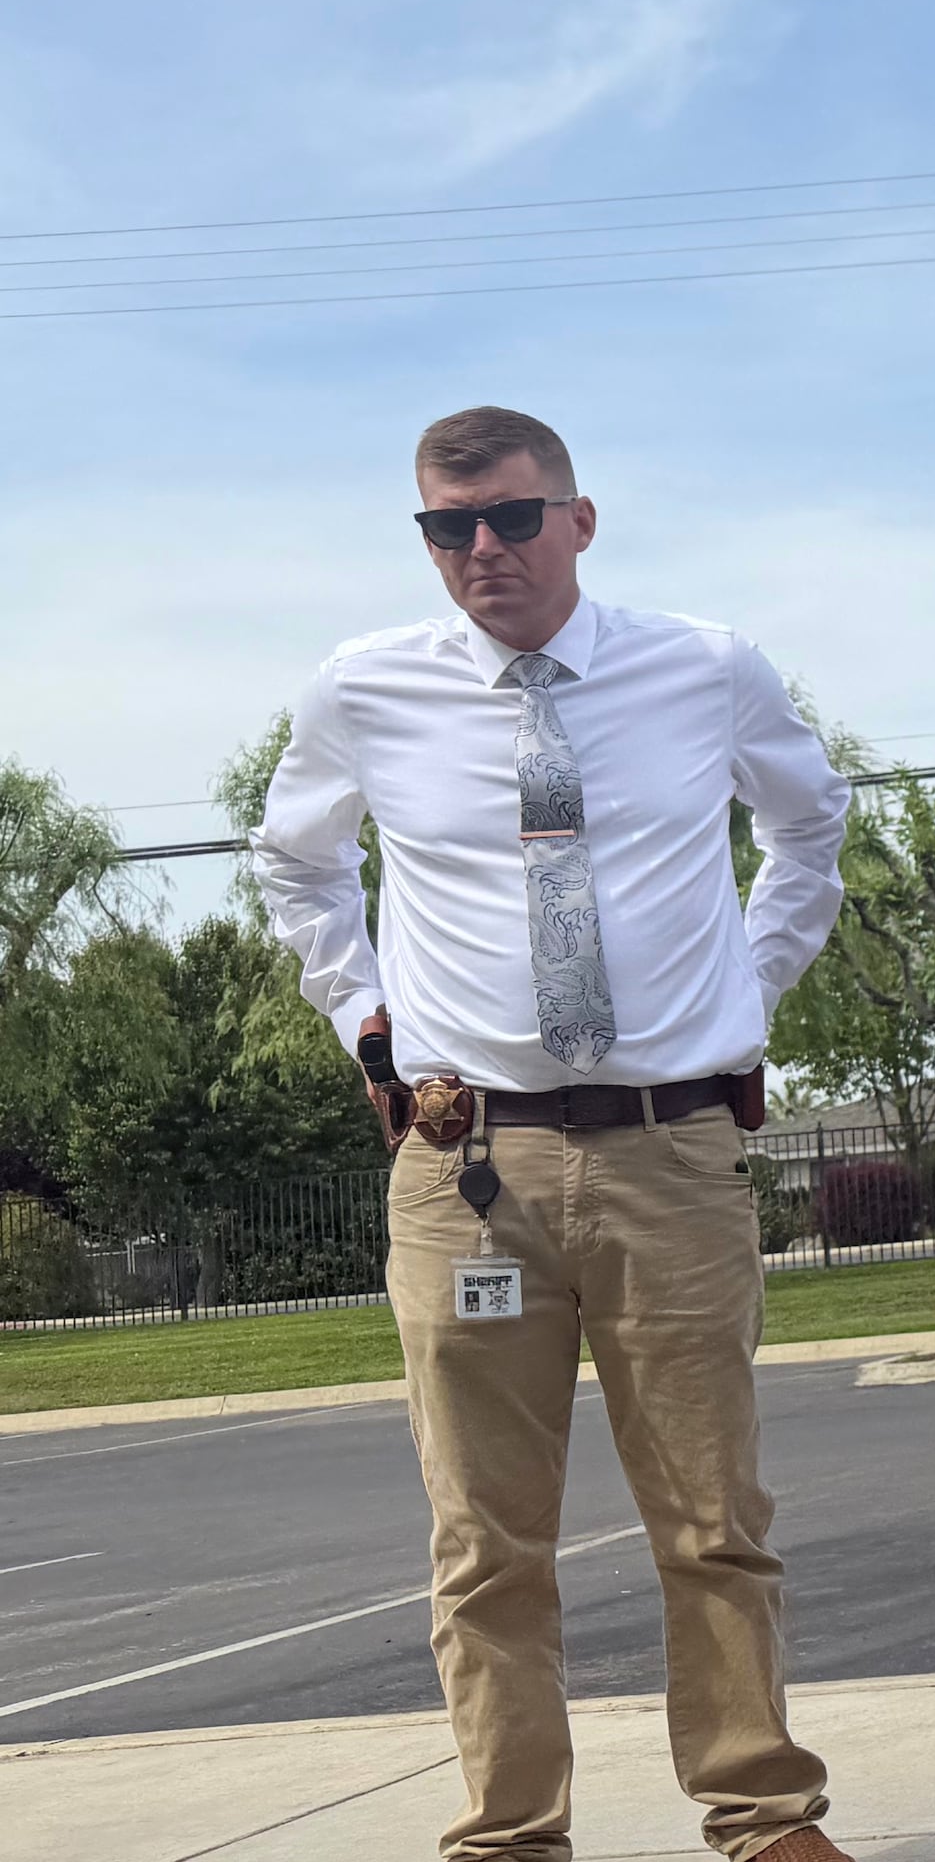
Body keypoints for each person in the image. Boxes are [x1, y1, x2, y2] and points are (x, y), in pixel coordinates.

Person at [254, 405, 856, 1862]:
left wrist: (745, 987)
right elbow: (298, 864)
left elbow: (809, 829)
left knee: (715, 1517)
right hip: (471, 1169)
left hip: (674, 1152)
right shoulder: (366, 689)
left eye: (512, 519)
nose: (482, 552)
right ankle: (512, 1835)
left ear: (579, 522)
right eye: (447, 528)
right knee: (484, 1542)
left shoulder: (705, 668)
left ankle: (764, 1815)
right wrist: (370, 1022)